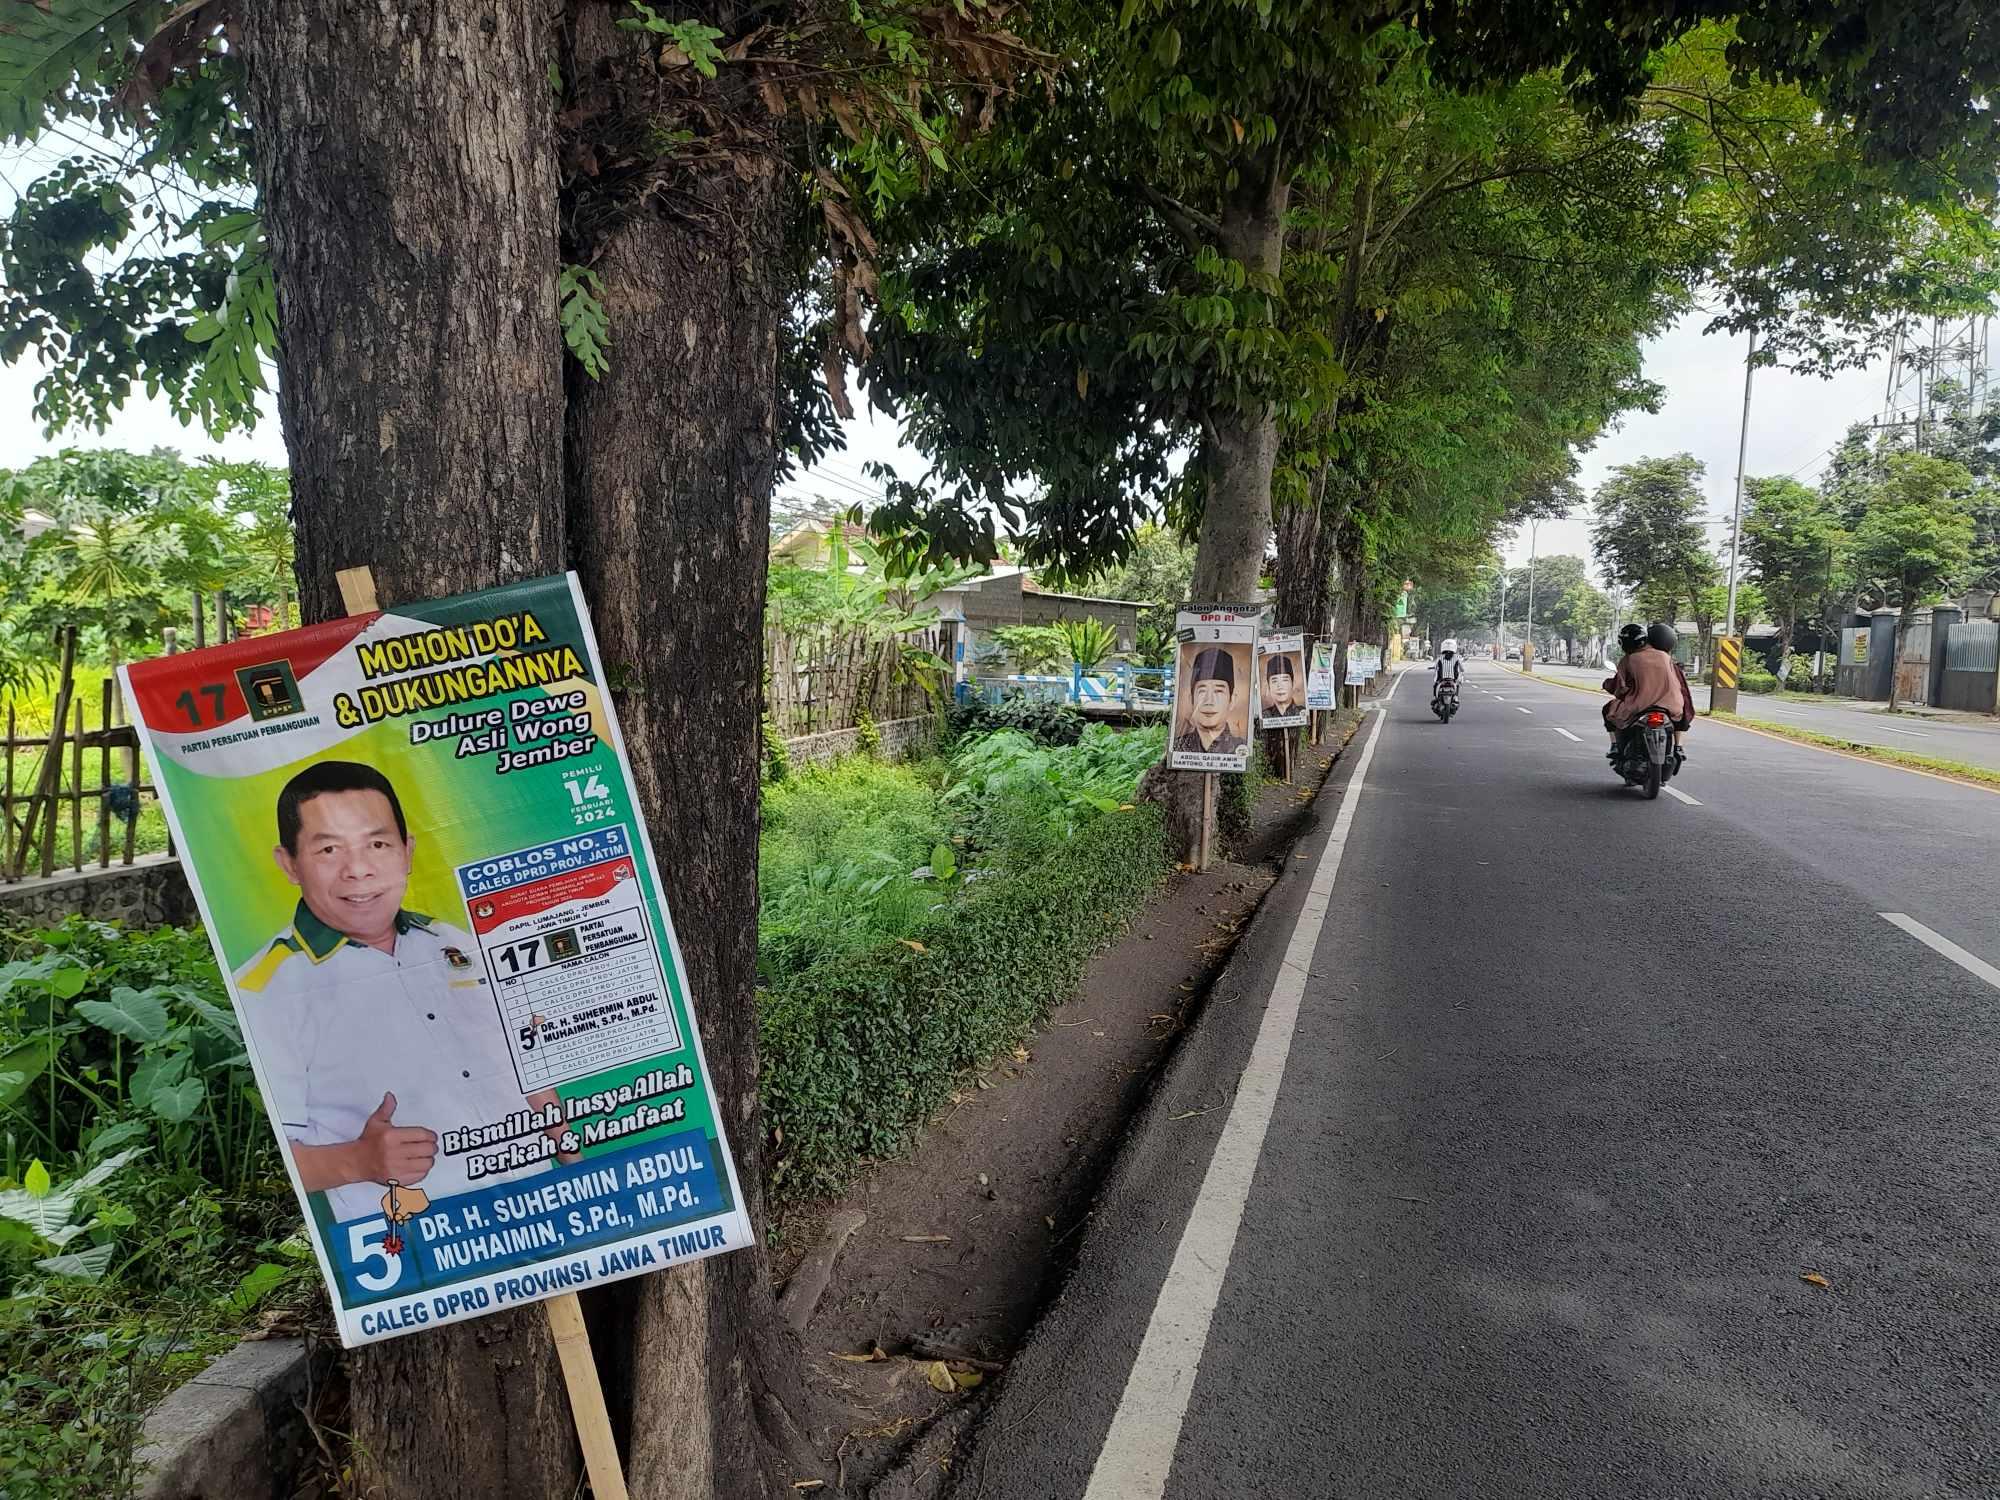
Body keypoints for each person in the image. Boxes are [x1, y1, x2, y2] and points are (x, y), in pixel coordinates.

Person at [235, 760, 572, 1224]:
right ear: (289, 864)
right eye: (329, 849)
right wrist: (359, 1160)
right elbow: (273, 1161)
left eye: (377, 844)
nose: (359, 870)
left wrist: (573, 1160)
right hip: (417, 1246)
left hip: (542, 1203)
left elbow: (522, 1062)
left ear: (406, 852)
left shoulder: (452, 941)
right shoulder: (268, 988)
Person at [1602, 622, 1695, 742]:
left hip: (1639, 707)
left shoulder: (1629, 659)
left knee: (1608, 709)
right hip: (1672, 707)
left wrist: (1607, 685)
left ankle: (1615, 746)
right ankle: (1679, 746)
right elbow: (1681, 688)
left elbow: (1620, 687)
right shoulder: (1666, 658)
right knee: (1683, 714)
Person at [1174, 646, 1246, 756]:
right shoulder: (1177, 746)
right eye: (1202, 691)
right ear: (1191, 699)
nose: (1209, 700)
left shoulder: (1242, 749)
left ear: (1232, 700)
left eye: (1218, 691)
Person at [1262, 651, 1301, 717]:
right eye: (1274, 681)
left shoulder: (1302, 713)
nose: (1280, 686)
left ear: (1293, 683)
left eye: (1284, 680)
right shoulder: (1264, 715)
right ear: (1269, 686)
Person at [1432, 638, 1464, 711]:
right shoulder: (1457, 657)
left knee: (1435, 685)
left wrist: (1434, 668)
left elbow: (1435, 666)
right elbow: (1462, 668)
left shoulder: (1440, 657)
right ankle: (1456, 696)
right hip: (1453, 679)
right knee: (1458, 685)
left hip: (1441, 679)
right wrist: (1462, 671)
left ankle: (1435, 697)